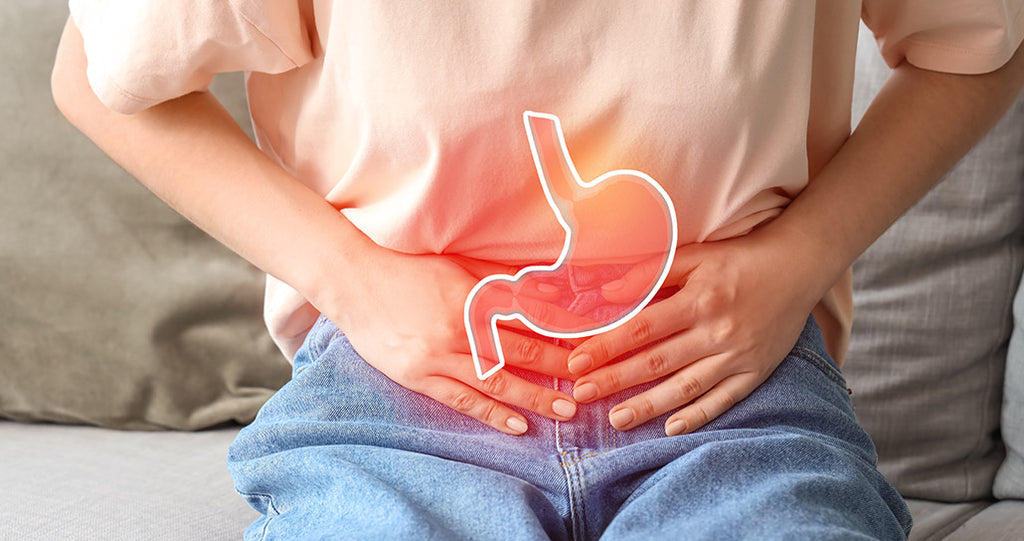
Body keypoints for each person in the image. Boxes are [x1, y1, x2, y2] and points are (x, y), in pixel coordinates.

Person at [52, 1, 1024, 538]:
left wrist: (804, 251)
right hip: (400, 401)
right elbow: (101, 80)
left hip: (727, 398)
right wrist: (347, 276)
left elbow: (981, 42)